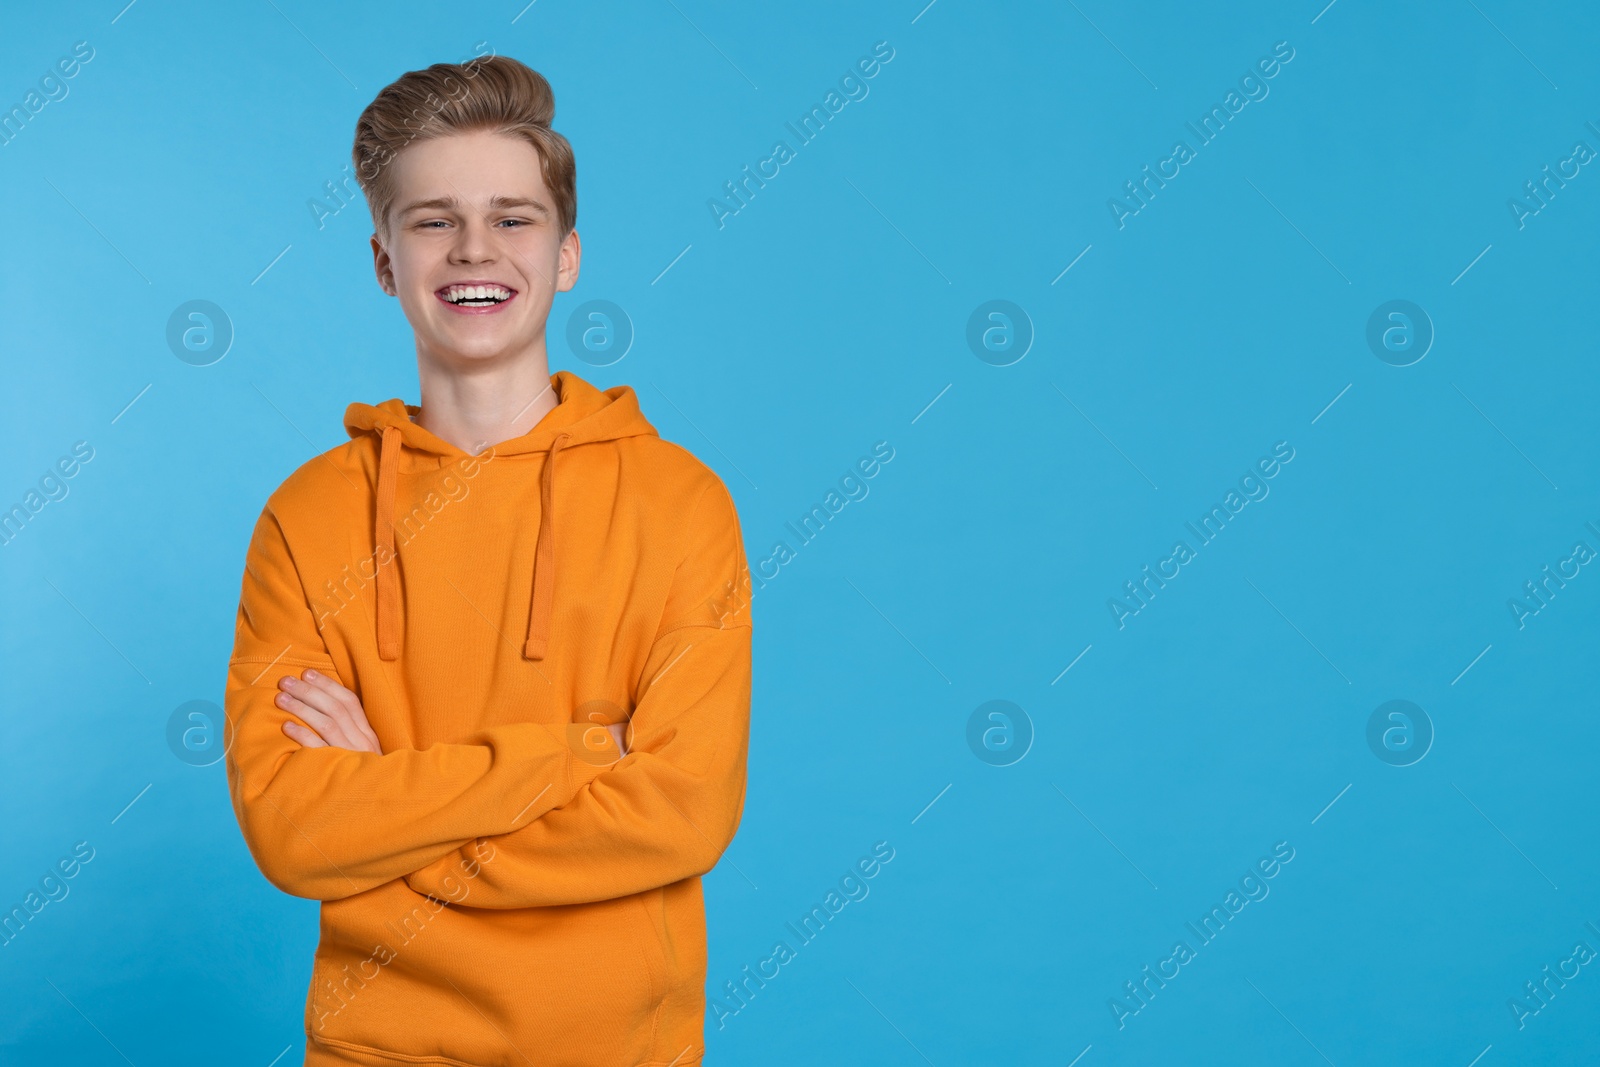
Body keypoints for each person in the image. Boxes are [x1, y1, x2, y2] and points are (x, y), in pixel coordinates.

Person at [223, 53, 752, 1067]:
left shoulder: (682, 504)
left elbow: (682, 812)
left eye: (513, 218)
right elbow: (293, 830)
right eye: (433, 219)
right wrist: (580, 754)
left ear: (566, 256)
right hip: (376, 1047)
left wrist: (388, 805)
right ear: (385, 260)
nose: (476, 250)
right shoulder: (307, 516)